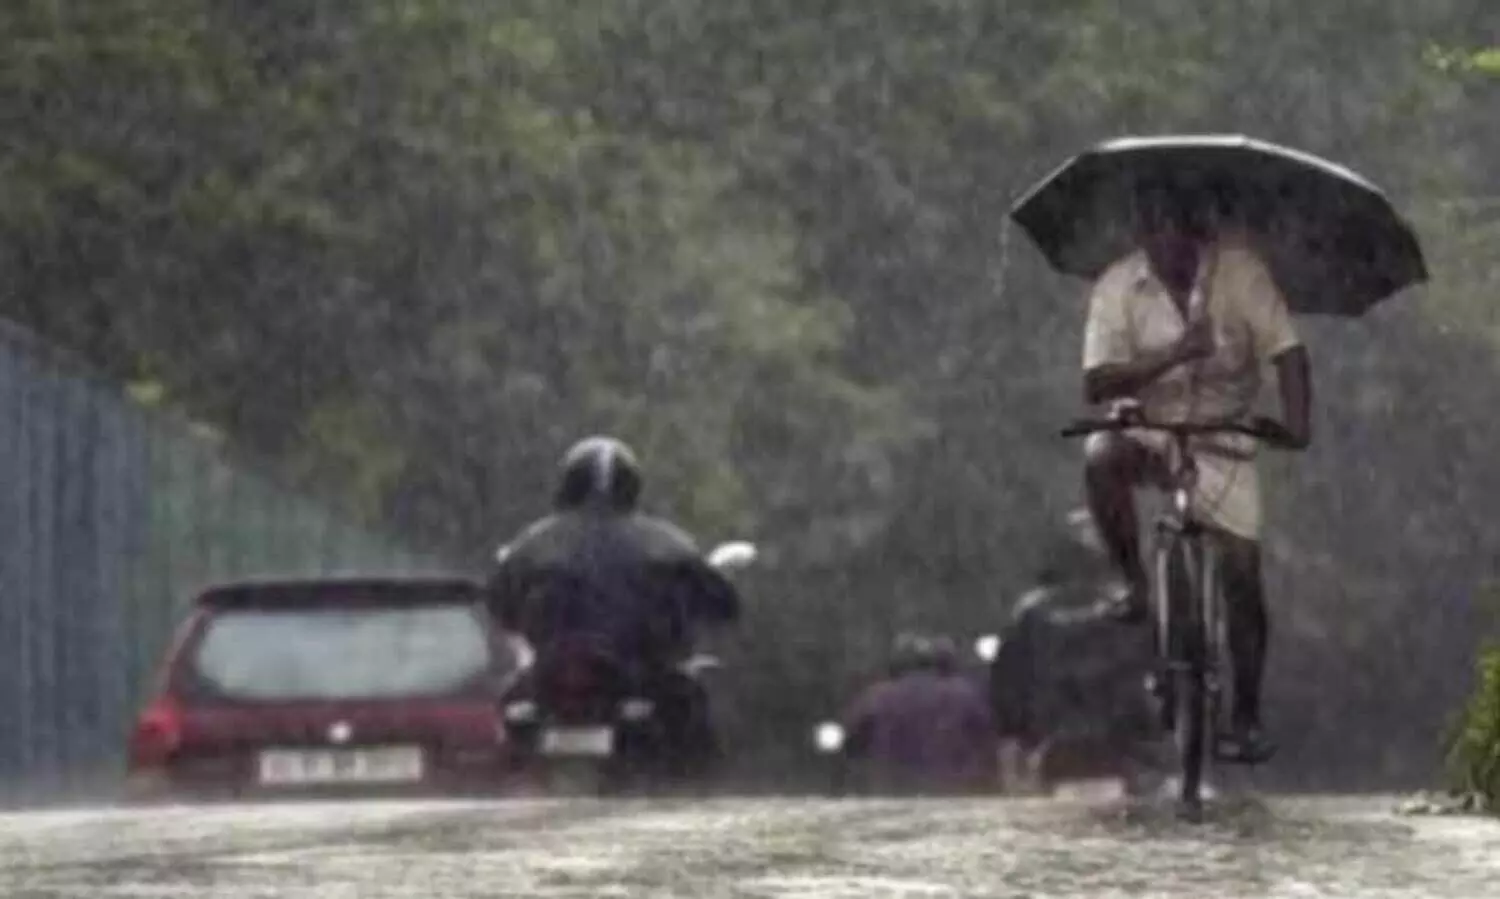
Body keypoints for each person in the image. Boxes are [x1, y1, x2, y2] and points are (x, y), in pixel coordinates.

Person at [1080, 189, 1312, 764]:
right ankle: (1135, 583)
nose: (1173, 252)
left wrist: (1296, 427)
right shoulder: (1117, 285)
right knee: (1100, 455)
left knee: (1243, 576)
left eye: (1184, 238)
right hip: (1150, 427)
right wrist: (1176, 354)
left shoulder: (1242, 275)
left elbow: (1288, 353)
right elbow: (1097, 382)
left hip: (1223, 435)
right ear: (1145, 237)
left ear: (1202, 235)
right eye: (1159, 237)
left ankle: (1245, 717)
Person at [485, 435, 740, 769]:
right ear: (631, 487)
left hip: (560, 669)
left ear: (568, 485)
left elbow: (499, 601)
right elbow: (721, 601)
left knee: (510, 704)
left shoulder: (536, 542)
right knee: (694, 708)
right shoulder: (664, 541)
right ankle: (696, 780)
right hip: (637, 668)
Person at [988, 511, 1164, 795]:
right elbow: (1149, 676)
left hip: (1052, 745)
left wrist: (1012, 742)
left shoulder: (1031, 613)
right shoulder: (1125, 608)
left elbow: (1007, 687)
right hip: (1116, 748)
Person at [839, 632, 998, 795]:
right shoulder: (965, 695)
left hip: (890, 790)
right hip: (952, 790)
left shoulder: (876, 697)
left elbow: (850, 743)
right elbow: (988, 741)